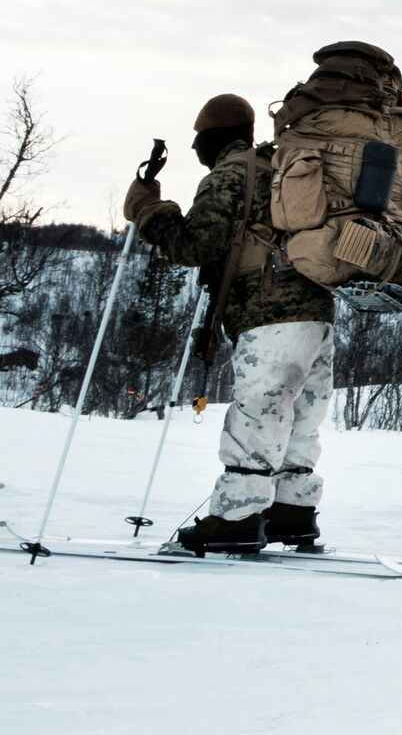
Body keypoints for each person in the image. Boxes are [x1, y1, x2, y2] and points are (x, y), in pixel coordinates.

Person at [124, 94, 337, 555]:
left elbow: (195, 245)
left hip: (267, 313)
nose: (196, 148)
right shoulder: (279, 167)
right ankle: (292, 513)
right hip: (318, 312)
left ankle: (236, 520)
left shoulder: (229, 175)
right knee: (300, 418)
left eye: (198, 139)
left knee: (258, 413)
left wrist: (148, 211)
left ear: (211, 138)